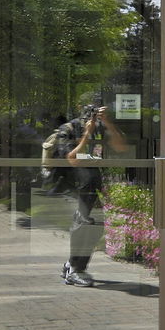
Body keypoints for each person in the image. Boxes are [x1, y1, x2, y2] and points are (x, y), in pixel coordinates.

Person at [59, 103, 127, 287]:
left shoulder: (102, 127)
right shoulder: (69, 129)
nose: (92, 114)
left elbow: (120, 147)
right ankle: (75, 270)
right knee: (83, 228)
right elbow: (71, 159)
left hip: (93, 186)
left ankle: (71, 265)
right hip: (74, 188)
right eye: (90, 110)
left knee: (94, 228)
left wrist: (108, 123)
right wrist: (87, 135)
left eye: (96, 110)